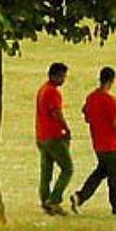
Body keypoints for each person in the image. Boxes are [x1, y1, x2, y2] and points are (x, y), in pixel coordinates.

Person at [70, 66, 116, 218]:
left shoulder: (91, 97)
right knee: (115, 176)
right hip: (111, 144)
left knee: (100, 172)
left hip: (98, 143)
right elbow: (115, 123)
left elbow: (85, 113)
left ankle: (80, 197)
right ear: (111, 80)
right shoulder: (109, 100)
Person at [35, 62, 74, 215]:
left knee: (46, 171)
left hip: (41, 135)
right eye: (62, 76)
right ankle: (54, 200)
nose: (63, 79)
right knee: (68, 168)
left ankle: (45, 200)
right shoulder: (53, 92)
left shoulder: (42, 89)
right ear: (55, 75)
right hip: (53, 136)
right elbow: (56, 113)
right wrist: (66, 129)